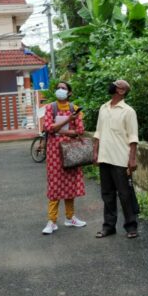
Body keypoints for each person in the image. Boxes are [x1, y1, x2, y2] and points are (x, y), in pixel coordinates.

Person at [93, 79, 139, 239]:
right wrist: (95, 152)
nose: (113, 84)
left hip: (121, 158)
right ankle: (109, 227)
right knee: (107, 194)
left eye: (117, 84)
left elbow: (133, 137)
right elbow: (98, 132)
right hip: (105, 157)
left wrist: (132, 159)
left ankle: (131, 227)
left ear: (122, 91)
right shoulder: (103, 108)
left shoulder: (128, 111)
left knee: (125, 194)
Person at [42, 81, 87, 235]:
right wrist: (68, 122)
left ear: (69, 93)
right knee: (54, 185)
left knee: (70, 184)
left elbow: (80, 130)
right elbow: (48, 128)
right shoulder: (50, 108)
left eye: (64, 88)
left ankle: (70, 218)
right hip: (54, 152)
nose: (60, 90)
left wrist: (59, 130)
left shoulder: (75, 109)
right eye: (58, 88)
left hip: (71, 152)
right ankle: (52, 221)